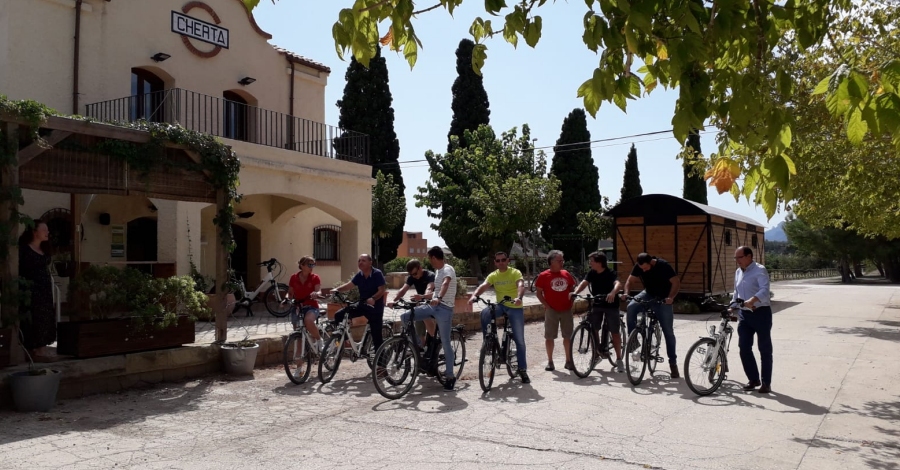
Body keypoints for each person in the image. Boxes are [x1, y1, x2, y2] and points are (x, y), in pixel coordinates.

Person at [399, 246, 459, 390]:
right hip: (433, 305)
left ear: (433, 257)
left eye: (429, 258)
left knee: (445, 342)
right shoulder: (437, 272)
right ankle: (418, 347)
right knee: (405, 316)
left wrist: (439, 297)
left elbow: (445, 284)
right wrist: (423, 297)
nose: (429, 261)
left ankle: (450, 376)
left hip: (445, 309)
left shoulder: (447, 269)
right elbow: (435, 291)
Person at [469, 251, 530, 384]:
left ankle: (522, 369)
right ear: (495, 262)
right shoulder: (494, 275)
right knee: (485, 313)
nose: (501, 262)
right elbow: (483, 286)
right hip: (501, 305)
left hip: (514, 306)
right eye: (498, 260)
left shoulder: (515, 272)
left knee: (519, 340)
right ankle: (488, 342)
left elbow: (520, 285)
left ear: (508, 261)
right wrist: (474, 296)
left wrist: (519, 298)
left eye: (503, 260)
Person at [622, 253, 681, 378]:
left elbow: (676, 282)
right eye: (641, 268)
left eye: (645, 268)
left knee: (668, 332)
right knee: (631, 307)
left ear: (651, 262)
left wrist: (670, 297)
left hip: (663, 298)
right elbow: (630, 281)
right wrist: (626, 293)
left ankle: (673, 364)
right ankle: (633, 342)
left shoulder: (663, 266)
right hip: (648, 294)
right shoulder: (639, 266)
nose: (643, 271)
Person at [571, 252, 624, 372]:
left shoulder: (610, 273)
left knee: (615, 332)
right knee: (593, 329)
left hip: (611, 305)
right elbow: (584, 283)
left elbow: (618, 284)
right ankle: (596, 354)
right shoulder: (592, 273)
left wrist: (613, 292)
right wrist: (576, 292)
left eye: (592, 261)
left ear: (599, 262)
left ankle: (619, 359)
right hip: (597, 304)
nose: (590, 263)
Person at [733, 246, 773, 394]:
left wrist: (753, 300)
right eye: (736, 258)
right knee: (744, 347)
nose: (737, 260)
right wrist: (732, 306)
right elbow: (736, 292)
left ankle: (766, 383)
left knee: (764, 349)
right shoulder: (738, 272)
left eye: (740, 257)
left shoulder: (759, 270)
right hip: (744, 315)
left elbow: (764, 290)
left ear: (749, 256)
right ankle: (753, 379)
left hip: (761, 313)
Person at [18, 220, 57, 361]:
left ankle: (42, 347)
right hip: (30, 289)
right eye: (44, 230)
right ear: (34, 232)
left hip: (44, 288)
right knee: (33, 317)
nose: (47, 232)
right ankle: (33, 348)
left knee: (45, 316)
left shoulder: (44, 249)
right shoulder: (24, 250)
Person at [333, 254, 387, 351]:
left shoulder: (377, 273)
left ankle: (380, 360)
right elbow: (349, 285)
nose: (360, 262)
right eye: (359, 261)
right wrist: (337, 289)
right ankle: (345, 341)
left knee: (376, 336)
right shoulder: (360, 275)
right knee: (339, 315)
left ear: (370, 263)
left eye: (363, 260)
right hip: (362, 305)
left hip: (375, 308)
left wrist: (373, 298)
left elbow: (381, 290)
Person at [536, 250, 577, 372]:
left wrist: (571, 301)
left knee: (568, 336)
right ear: (552, 261)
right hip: (551, 311)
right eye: (559, 260)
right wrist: (546, 305)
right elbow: (538, 293)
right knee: (549, 337)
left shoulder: (566, 273)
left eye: (562, 260)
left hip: (566, 310)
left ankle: (568, 361)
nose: (562, 262)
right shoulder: (543, 276)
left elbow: (572, 288)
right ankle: (550, 361)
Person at [387, 258, 435, 345]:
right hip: (420, 304)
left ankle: (434, 341)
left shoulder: (430, 275)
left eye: (415, 273)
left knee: (426, 318)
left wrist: (423, 297)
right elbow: (403, 290)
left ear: (420, 268)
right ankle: (420, 346)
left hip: (432, 303)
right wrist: (393, 300)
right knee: (418, 327)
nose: (413, 276)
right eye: (411, 274)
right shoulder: (412, 277)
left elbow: (429, 288)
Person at [286, 256, 324, 352]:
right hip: (298, 307)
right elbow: (290, 293)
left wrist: (316, 293)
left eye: (313, 265)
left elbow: (319, 291)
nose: (312, 267)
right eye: (309, 265)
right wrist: (286, 299)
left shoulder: (315, 277)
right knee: (297, 334)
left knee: (308, 320)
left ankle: (319, 339)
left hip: (311, 306)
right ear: (302, 265)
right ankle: (298, 361)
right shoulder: (293, 277)